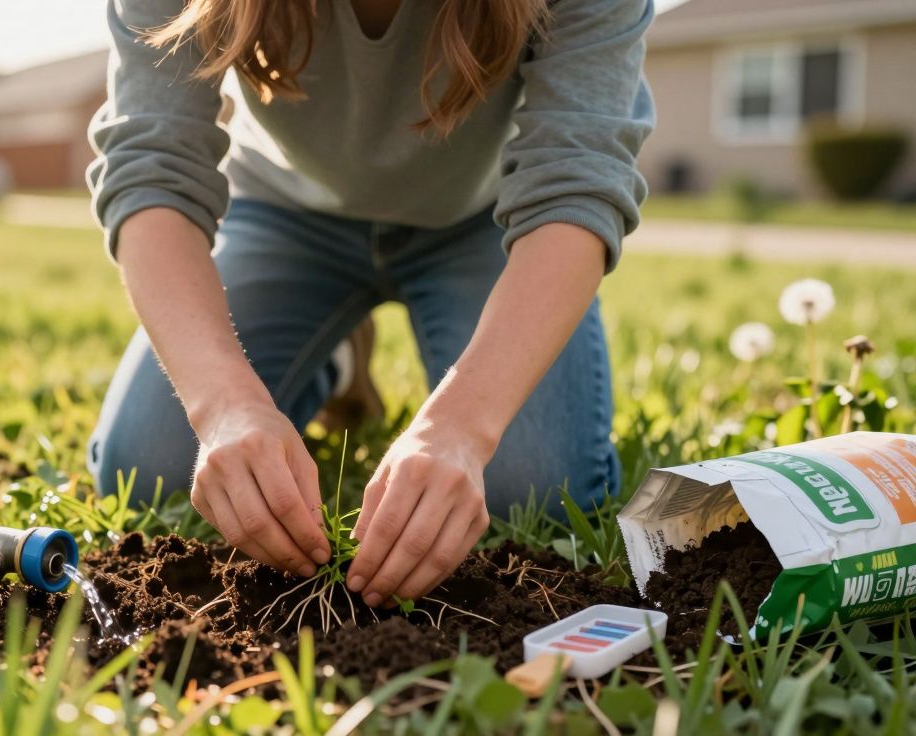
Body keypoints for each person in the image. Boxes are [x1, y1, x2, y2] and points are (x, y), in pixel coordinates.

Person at [85, 0, 653, 608]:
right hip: (286, 214)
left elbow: (578, 180)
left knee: (535, 487)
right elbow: (150, 168)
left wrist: (461, 429)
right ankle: (335, 361)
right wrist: (226, 406)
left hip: (484, 223)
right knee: (148, 471)